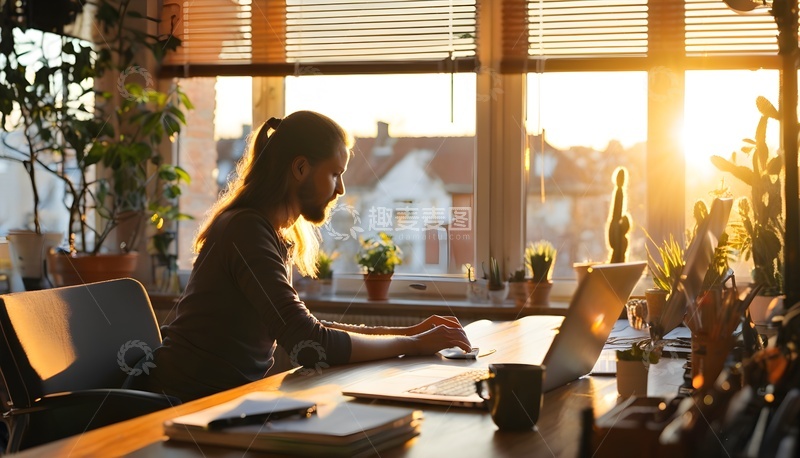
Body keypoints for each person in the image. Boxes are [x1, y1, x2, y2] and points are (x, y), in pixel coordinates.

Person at [134, 111, 472, 402]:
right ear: (300, 168)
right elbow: (305, 342)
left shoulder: (264, 230)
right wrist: (411, 344)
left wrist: (412, 334)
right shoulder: (246, 231)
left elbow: (307, 328)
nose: (340, 189)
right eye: (334, 173)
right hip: (183, 405)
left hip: (225, 403)